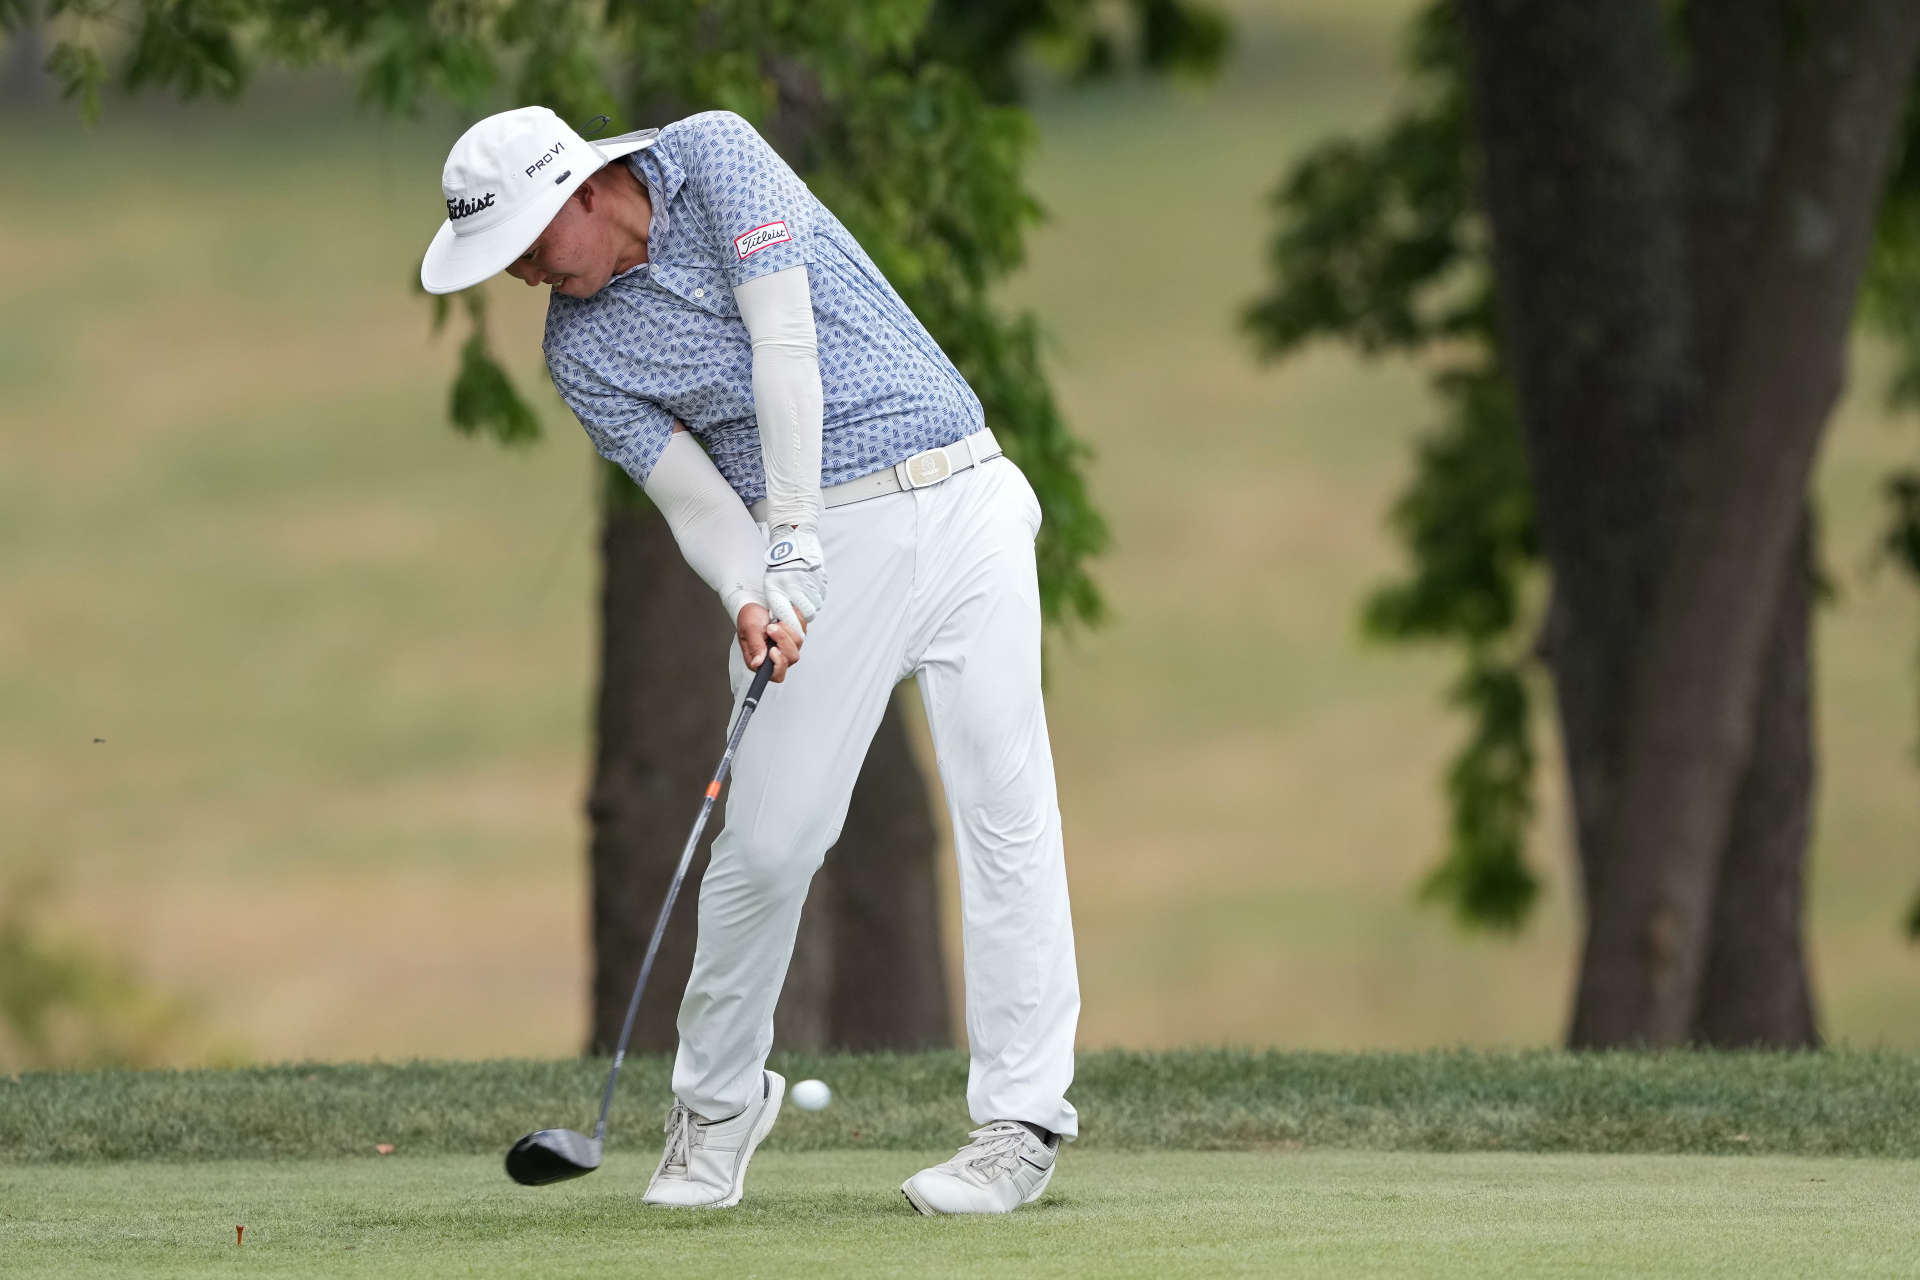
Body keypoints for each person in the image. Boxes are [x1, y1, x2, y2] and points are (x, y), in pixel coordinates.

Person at [420, 105, 1080, 1215]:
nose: (526, 274)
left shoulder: (714, 153)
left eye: (530, 244)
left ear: (582, 190)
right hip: (808, 549)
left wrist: (795, 539)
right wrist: (752, 588)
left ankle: (1018, 1124)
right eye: (506, 264)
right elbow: (689, 499)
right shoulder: (582, 350)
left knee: (1007, 813)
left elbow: (786, 343)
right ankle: (718, 1103)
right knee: (770, 845)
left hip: (961, 490)